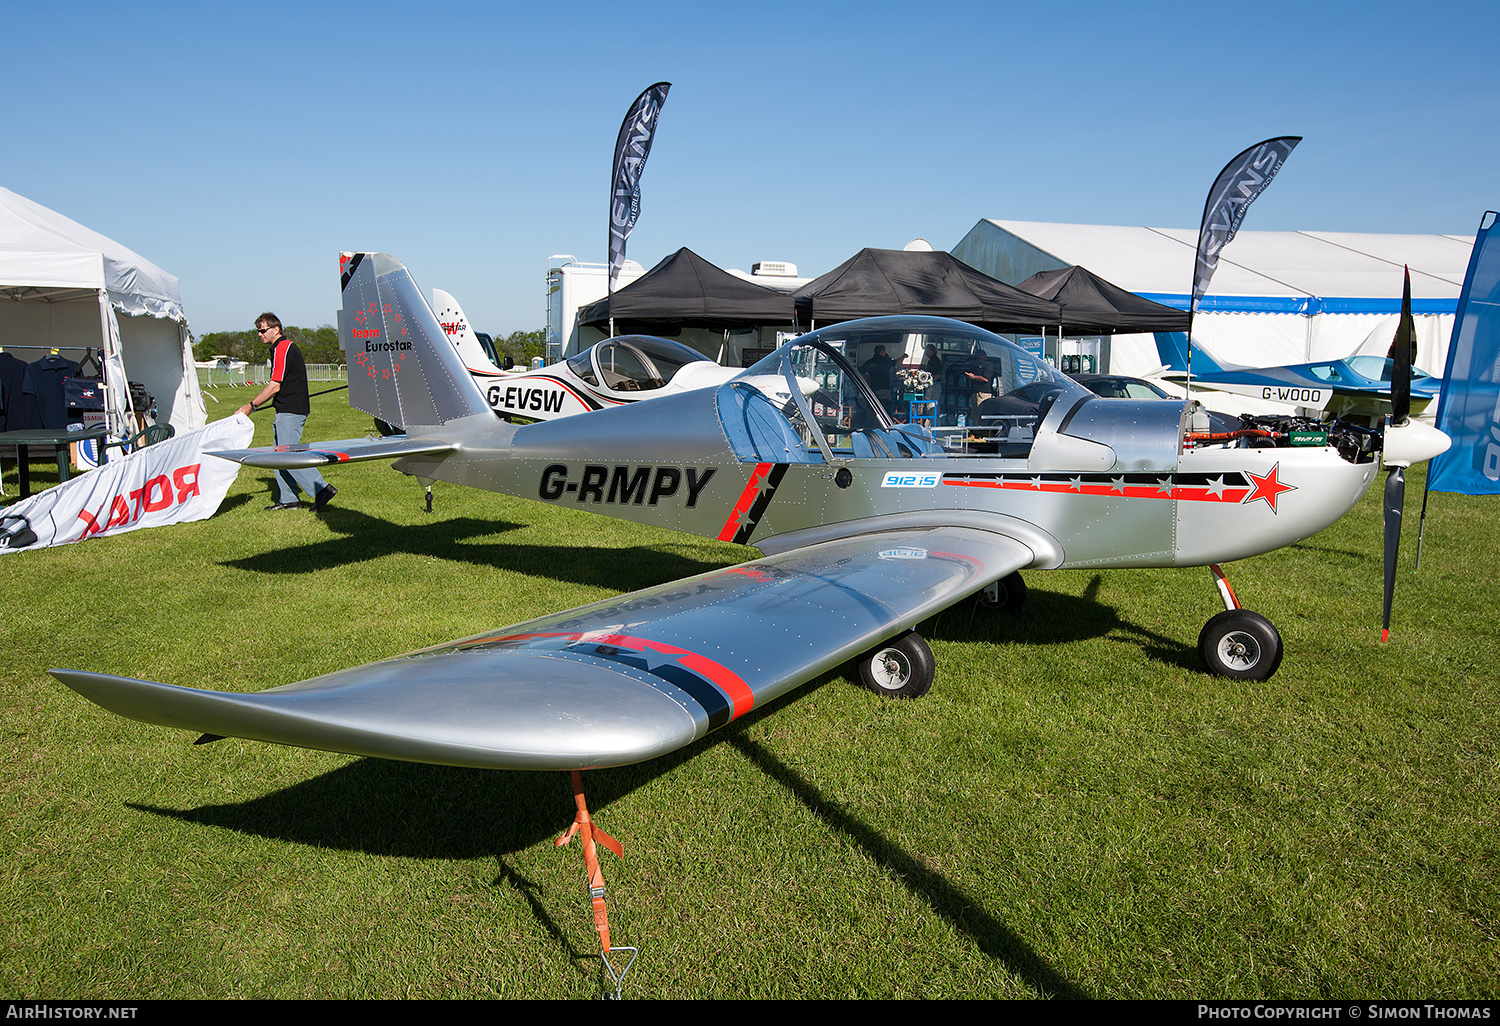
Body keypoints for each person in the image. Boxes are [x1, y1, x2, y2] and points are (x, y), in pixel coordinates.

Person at [238, 313, 336, 512]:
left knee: (288, 456)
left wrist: (251, 405)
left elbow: (275, 386)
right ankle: (289, 499)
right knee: (278, 456)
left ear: (276, 329)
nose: (259, 334)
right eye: (258, 330)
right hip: (285, 409)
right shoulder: (277, 349)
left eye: (263, 330)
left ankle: (322, 488)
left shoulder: (283, 347)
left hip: (291, 410)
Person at [859, 344, 897, 415]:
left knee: (875, 406)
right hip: (884, 388)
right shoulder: (885, 361)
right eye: (884, 351)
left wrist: (866, 380)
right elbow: (896, 363)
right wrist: (904, 356)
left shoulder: (870, 361)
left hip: (873, 387)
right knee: (885, 408)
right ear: (882, 351)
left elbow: (860, 370)